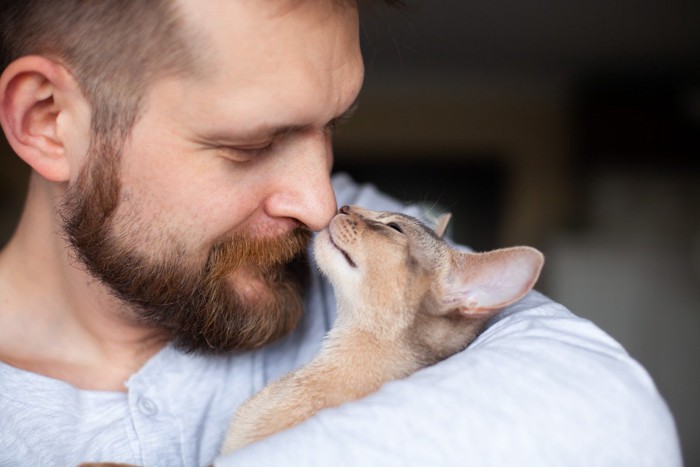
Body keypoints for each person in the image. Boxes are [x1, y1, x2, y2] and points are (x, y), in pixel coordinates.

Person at [0, 0, 682, 466]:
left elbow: (621, 426)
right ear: (48, 120)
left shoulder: (362, 286)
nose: (322, 202)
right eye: (252, 143)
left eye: (332, 126)